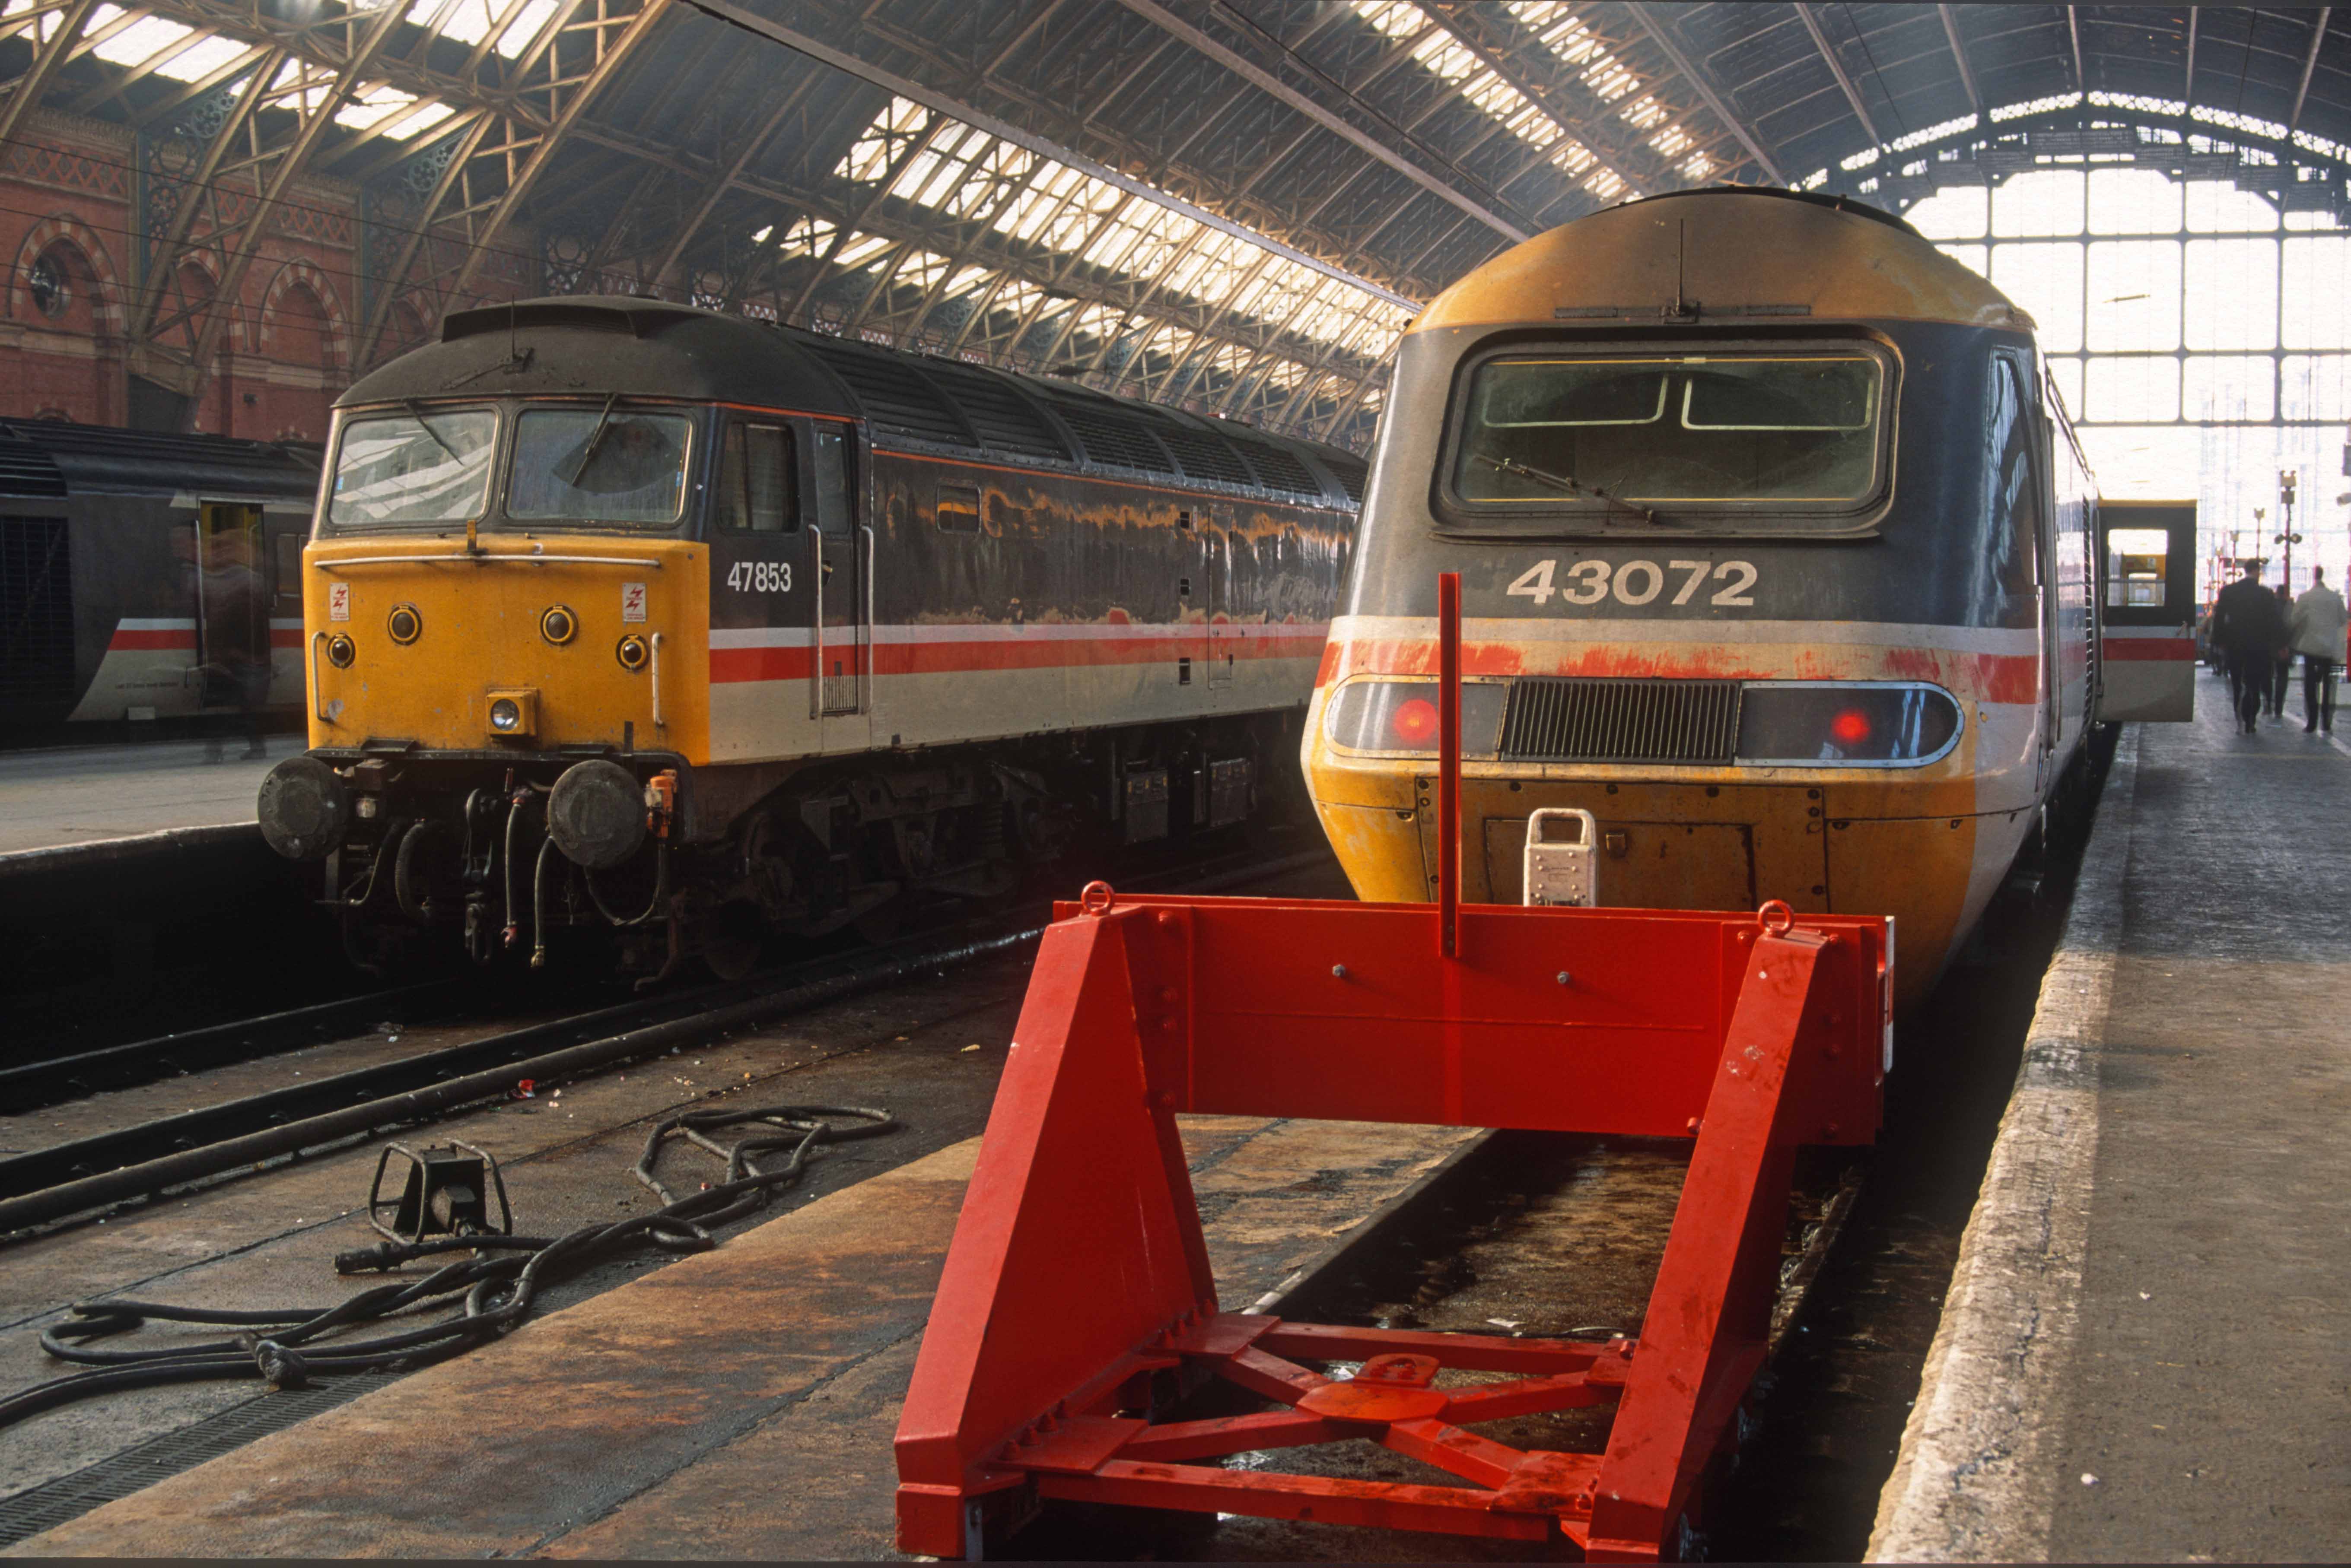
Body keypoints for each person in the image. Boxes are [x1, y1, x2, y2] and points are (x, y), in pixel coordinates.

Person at [2210, 560, 2289, 733]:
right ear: (2257, 571)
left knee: (2237, 683)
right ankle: (2251, 719)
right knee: (2254, 682)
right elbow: (2275, 620)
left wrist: (2219, 641)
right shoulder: (2265, 594)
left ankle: (2240, 717)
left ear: (2244, 571)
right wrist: (2282, 644)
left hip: (2235, 644)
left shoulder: (2229, 592)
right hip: (2259, 646)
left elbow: (2219, 618)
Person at [2289, 565, 2348, 734]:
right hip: (2329, 648)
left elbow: (2294, 620)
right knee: (2329, 685)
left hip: (2311, 647)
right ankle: (2326, 721)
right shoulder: (2335, 598)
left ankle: (2312, 722)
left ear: (2313, 577)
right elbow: (2343, 619)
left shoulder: (2306, 597)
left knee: (2310, 685)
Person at [2270, 583, 2296, 717]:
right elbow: (2292, 625)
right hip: (2284, 646)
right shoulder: (2289, 606)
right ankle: (2279, 707)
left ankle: (2269, 702)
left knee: (2269, 675)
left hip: (2270, 646)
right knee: (2282, 676)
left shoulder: (2270, 606)